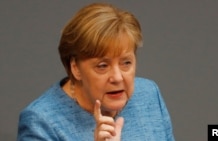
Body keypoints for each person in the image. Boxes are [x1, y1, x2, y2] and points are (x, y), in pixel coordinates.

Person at [17, 3, 175, 141]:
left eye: (126, 63)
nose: (117, 77)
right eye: (102, 66)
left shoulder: (148, 95)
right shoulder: (41, 122)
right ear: (76, 68)